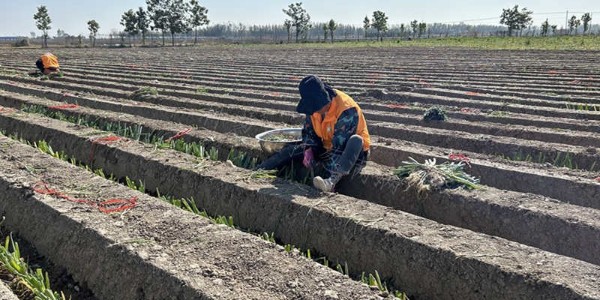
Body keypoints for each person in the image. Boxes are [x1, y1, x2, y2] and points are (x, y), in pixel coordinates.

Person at [257, 75, 370, 192]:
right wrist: (309, 149)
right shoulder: (313, 109)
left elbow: (339, 149)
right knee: (291, 150)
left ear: (325, 98)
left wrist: (323, 172)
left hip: (350, 153)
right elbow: (308, 132)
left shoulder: (346, 110)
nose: (315, 111)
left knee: (356, 140)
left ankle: (331, 181)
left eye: (317, 107)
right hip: (326, 147)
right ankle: (260, 169)